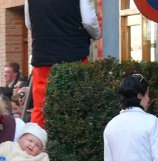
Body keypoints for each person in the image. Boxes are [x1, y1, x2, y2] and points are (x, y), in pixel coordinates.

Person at [25, 0, 101, 128]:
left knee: (41, 108)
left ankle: (38, 143)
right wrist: (97, 34)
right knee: (78, 105)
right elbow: (89, 21)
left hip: (43, 56)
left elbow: (30, 24)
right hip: (74, 56)